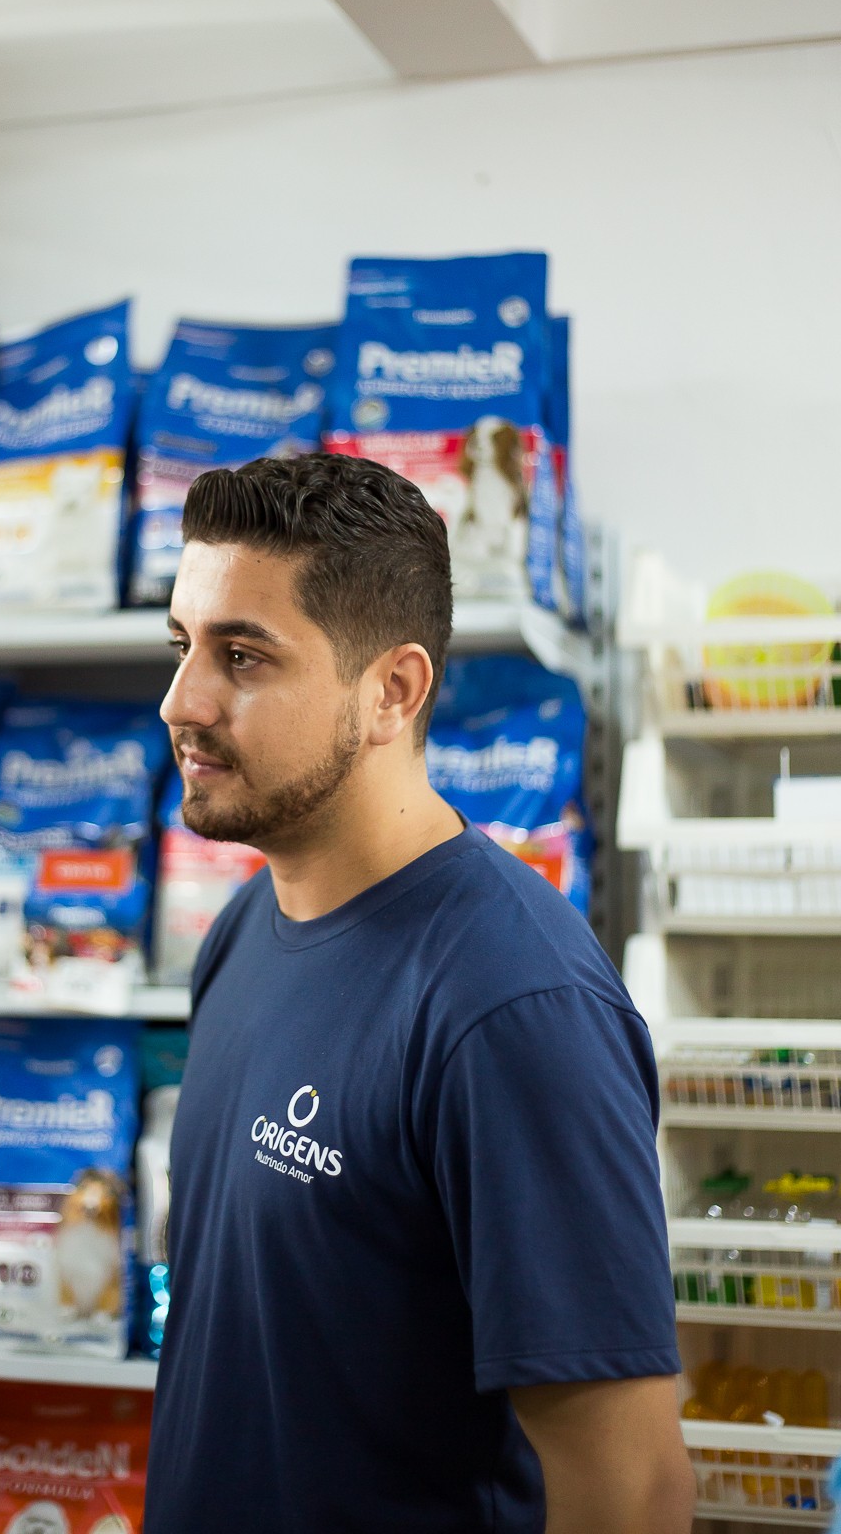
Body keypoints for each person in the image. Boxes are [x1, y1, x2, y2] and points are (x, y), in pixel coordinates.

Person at [144, 453, 694, 1534]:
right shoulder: (245, 930)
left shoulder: (514, 1006)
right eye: (183, 646)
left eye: (243, 656)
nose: (183, 702)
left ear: (391, 692)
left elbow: (631, 1485)